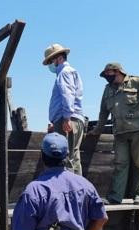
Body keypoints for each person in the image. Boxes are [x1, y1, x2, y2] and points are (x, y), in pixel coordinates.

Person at [90, 62, 139, 205]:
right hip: (120, 133)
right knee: (120, 164)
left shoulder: (135, 82)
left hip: (138, 129)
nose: (106, 77)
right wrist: (97, 130)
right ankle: (115, 197)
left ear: (117, 71)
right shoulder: (108, 89)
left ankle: (138, 195)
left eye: (108, 73)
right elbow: (103, 111)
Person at [43, 43, 86, 175]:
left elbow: (67, 95)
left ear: (59, 58)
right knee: (74, 156)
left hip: (67, 118)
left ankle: (70, 191)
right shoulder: (70, 72)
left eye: (51, 61)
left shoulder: (64, 73)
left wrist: (66, 118)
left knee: (66, 158)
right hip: (73, 118)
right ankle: (79, 190)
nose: (50, 64)